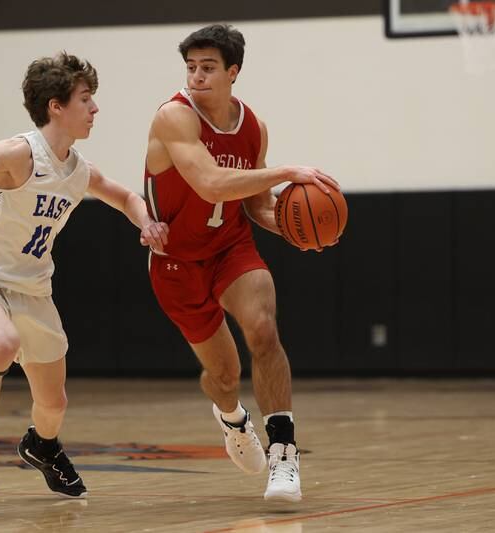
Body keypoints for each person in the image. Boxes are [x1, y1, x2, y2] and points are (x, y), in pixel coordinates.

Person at [0, 52, 169, 497]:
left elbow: (125, 197)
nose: (95, 109)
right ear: (56, 106)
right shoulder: (18, 153)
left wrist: (148, 223)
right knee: (2, 343)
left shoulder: (77, 170)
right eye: (86, 99)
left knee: (54, 402)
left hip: (33, 289)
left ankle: (42, 446)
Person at [143, 24, 340, 502]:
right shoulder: (173, 117)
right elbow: (210, 183)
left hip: (231, 246)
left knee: (263, 330)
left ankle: (284, 456)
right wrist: (289, 171)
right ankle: (232, 418)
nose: (197, 76)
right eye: (191, 67)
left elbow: (256, 204)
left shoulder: (253, 127)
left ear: (233, 72)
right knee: (224, 376)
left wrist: (295, 231)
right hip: (176, 263)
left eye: (208, 68)